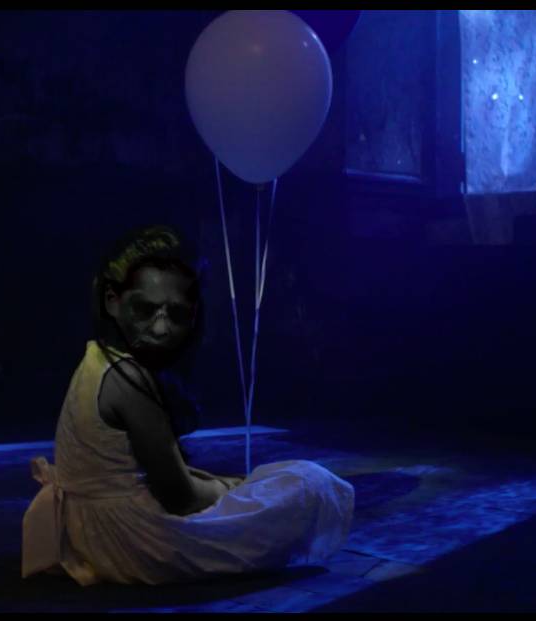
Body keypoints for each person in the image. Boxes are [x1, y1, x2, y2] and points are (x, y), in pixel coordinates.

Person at [22, 225, 354, 586]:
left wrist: (227, 484)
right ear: (112, 301)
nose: (161, 329)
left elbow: (161, 475)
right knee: (309, 482)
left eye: (177, 314)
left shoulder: (98, 359)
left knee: (268, 481)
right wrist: (234, 489)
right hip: (129, 540)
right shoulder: (127, 378)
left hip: (91, 529)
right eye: (145, 310)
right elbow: (181, 497)